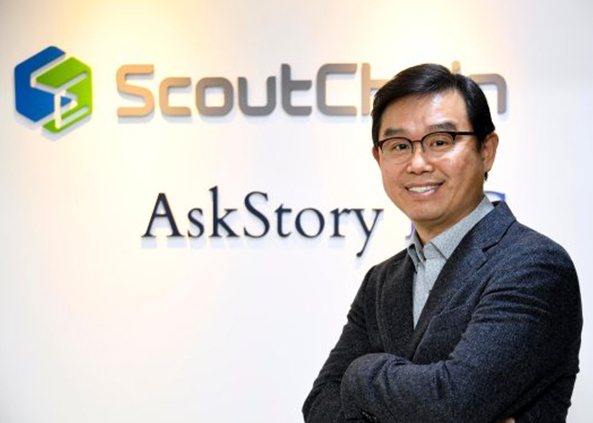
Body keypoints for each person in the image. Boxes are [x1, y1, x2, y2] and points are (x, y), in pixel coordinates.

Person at [302, 64, 582, 423]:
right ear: (378, 158)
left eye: (439, 142)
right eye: (399, 145)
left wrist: (361, 372)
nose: (418, 163)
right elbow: (320, 407)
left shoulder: (533, 266)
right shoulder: (380, 281)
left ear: (486, 150)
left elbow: (453, 404)